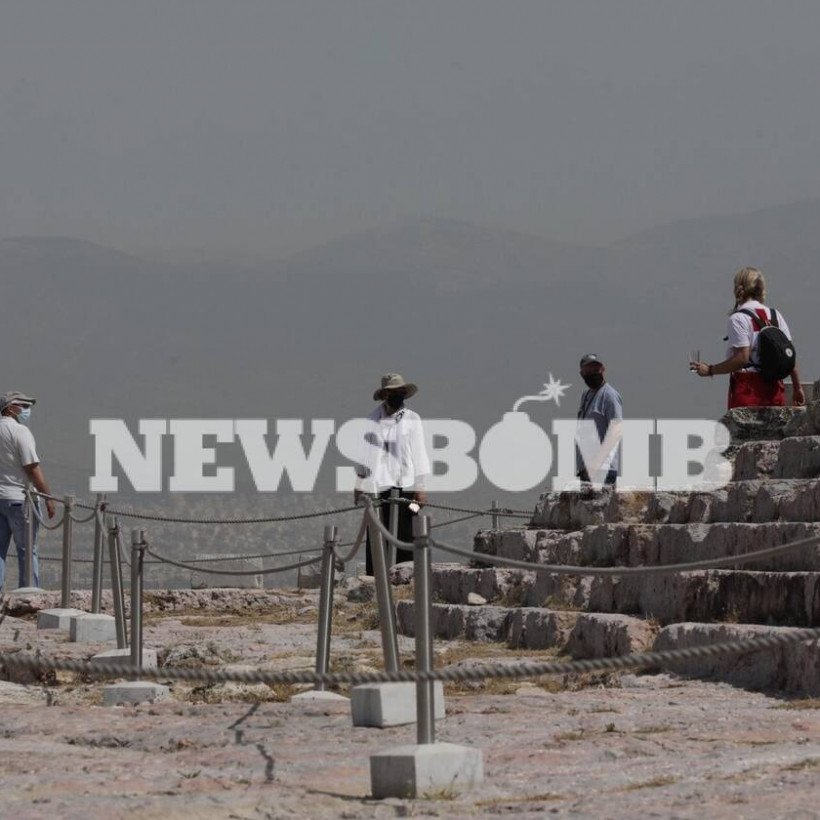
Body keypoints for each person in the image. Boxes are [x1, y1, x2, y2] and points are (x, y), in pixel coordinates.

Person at [691, 267, 804, 409]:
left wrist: (710, 370)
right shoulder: (775, 316)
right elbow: (789, 355)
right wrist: (797, 387)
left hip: (748, 390)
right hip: (775, 388)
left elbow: (741, 359)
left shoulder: (739, 318)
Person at [353, 373, 430, 575]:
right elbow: (364, 455)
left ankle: (406, 578)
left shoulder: (412, 419)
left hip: (406, 486)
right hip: (377, 487)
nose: (397, 395)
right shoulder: (371, 420)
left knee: (407, 529)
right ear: (385, 394)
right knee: (377, 531)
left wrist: (421, 487)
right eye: (393, 392)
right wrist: (359, 483)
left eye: (400, 392)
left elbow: (419, 453)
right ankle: (376, 577)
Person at [0, 391, 55, 590]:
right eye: (23, 406)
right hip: (20, 499)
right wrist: (48, 496)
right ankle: (28, 594)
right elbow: (31, 467)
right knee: (27, 550)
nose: (26, 410)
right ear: (10, 408)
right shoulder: (19, 431)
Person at [575, 354, 623, 487]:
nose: (593, 373)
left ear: (603, 369)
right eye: (588, 371)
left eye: (596, 370)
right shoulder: (586, 395)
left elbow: (616, 431)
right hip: (586, 469)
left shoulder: (609, 396)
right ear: (582, 374)